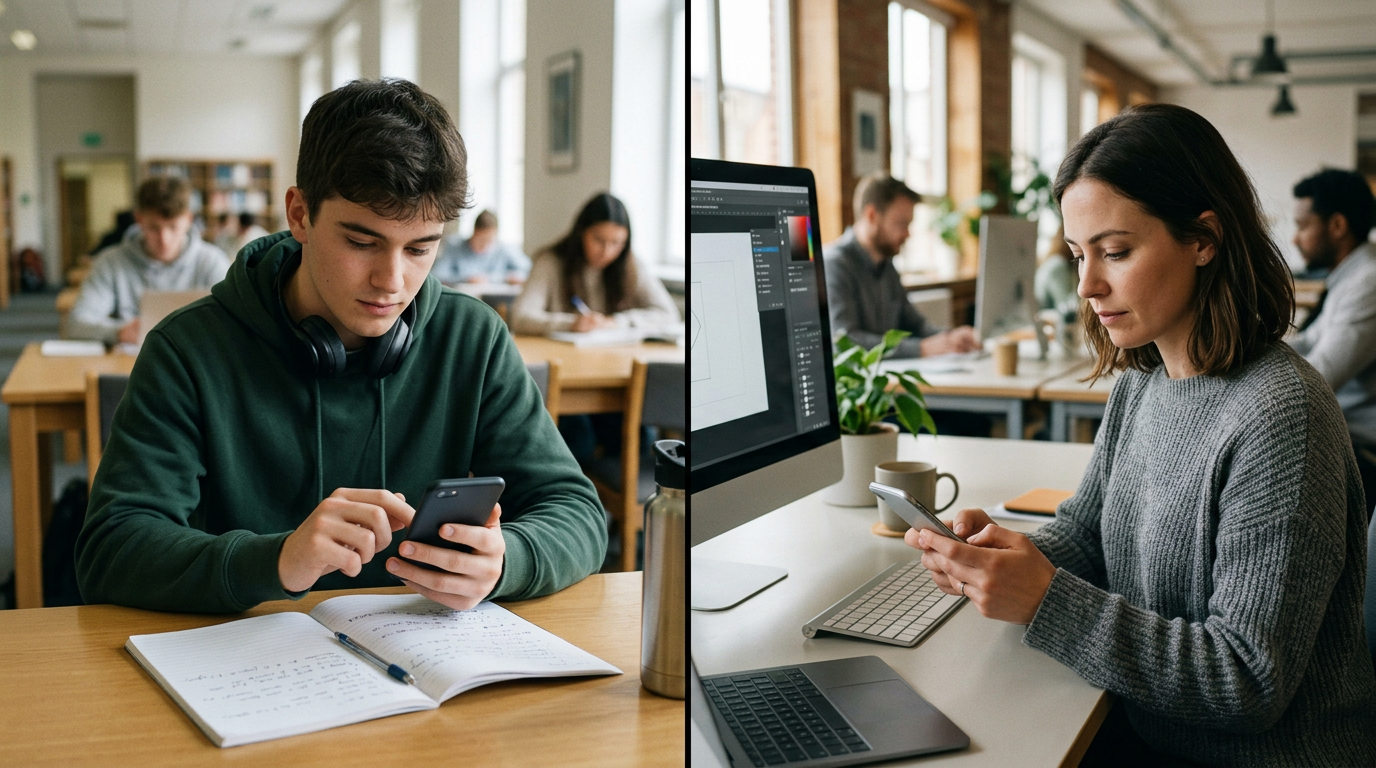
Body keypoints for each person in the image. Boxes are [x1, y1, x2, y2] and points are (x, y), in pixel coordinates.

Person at [907, 104, 1376, 765]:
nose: (1088, 285)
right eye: (1077, 255)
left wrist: (1045, 599)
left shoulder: (1281, 415)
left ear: (1203, 238)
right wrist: (1009, 558)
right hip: (1154, 730)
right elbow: (1089, 536)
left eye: (1115, 252)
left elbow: (1246, 681)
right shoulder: (1142, 381)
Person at [75, 78, 607, 613]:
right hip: (244, 670)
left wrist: (507, 559)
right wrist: (277, 560)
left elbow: (576, 512)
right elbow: (112, 549)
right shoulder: (187, 349)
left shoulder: (474, 338)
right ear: (300, 214)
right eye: (361, 242)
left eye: (421, 249)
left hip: (422, 670)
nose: (392, 281)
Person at [1284, 168, 1376, 509]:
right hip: (1344, 433)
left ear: (1337, 226)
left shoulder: (1368, 283)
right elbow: (1309, 342)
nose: (1294, 239)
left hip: (1361, 449)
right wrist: (1245, 353)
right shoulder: (1353, 276)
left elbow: (1319, 379)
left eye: (1303, 226)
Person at [824, 172, 981, 359]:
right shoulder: (834, 265)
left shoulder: (887, 265)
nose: (908, 234)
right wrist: (922, 348)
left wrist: (950, 338)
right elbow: (844, 341)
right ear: (872, 215)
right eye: (901, 224)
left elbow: (915, 326)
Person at [67, 177, 231, 344]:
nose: (164, 240)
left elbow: (232, 323)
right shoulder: (110, 262)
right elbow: (76, 324)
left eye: (173, 227)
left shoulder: (212, 262)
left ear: (188, 220)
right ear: (139, 219)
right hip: (131, 364)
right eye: (154, 227)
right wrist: (119, 331)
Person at [509, 192, 679, 335]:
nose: (607, 251)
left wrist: (616, 322)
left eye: (617, 243)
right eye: (599, 240)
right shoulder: (550, 262)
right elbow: (520, 317)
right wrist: (571, 324)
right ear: (581, 232)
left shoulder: (631, 265)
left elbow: (668, 314)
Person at [431, 209, 531, 286]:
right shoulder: (454, 246)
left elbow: (529, 270)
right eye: (481, 240)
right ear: (474, 232)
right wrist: (466, 279)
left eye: (489, 240)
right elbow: (437, 275)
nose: (484, 245)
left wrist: (500, 278)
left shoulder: (504, 249)